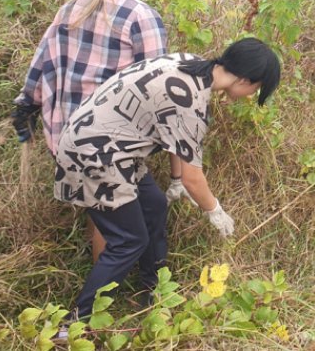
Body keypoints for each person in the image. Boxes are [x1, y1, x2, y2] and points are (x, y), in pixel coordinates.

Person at [55, 38, 281, 318]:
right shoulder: (192, 101)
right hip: (95, 154)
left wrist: (175, 180)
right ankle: (77, 320)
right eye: (255, 89)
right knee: (128, 240)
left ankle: (152, 290)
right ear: (245, 79)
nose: (250, 95)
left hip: (105, 145)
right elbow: (193, 178)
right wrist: (215, 210)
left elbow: (175, 138)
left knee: (154, 206)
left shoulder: (190, 65)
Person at [11, 0, 188, 265]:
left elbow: (42, 64)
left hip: (66, 136)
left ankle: (117, 295)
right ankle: (105, 305)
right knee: (121, 223)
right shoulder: (141, 16)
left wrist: (25, 108)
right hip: (108, 142)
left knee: (108, 213)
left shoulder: (72, 7)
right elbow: (156, 89)